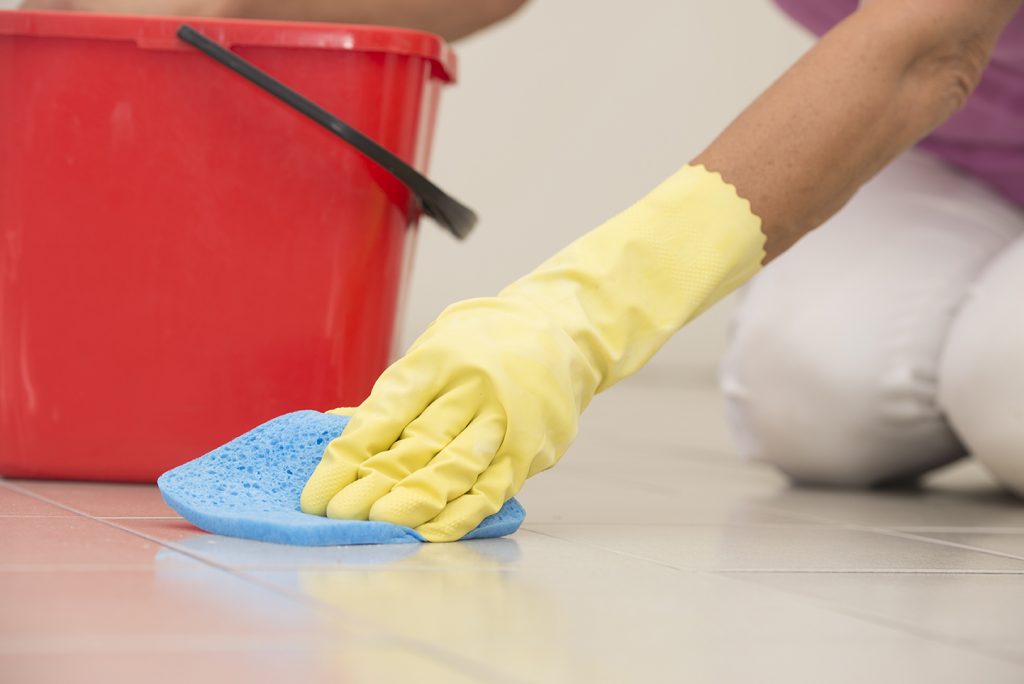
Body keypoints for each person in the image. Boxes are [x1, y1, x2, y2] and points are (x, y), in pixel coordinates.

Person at [22, 0, 1024, 540]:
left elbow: (926, 39)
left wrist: (578, 316)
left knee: (1002, 388)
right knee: (816, 396)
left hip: (935, 71)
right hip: (964, 149)